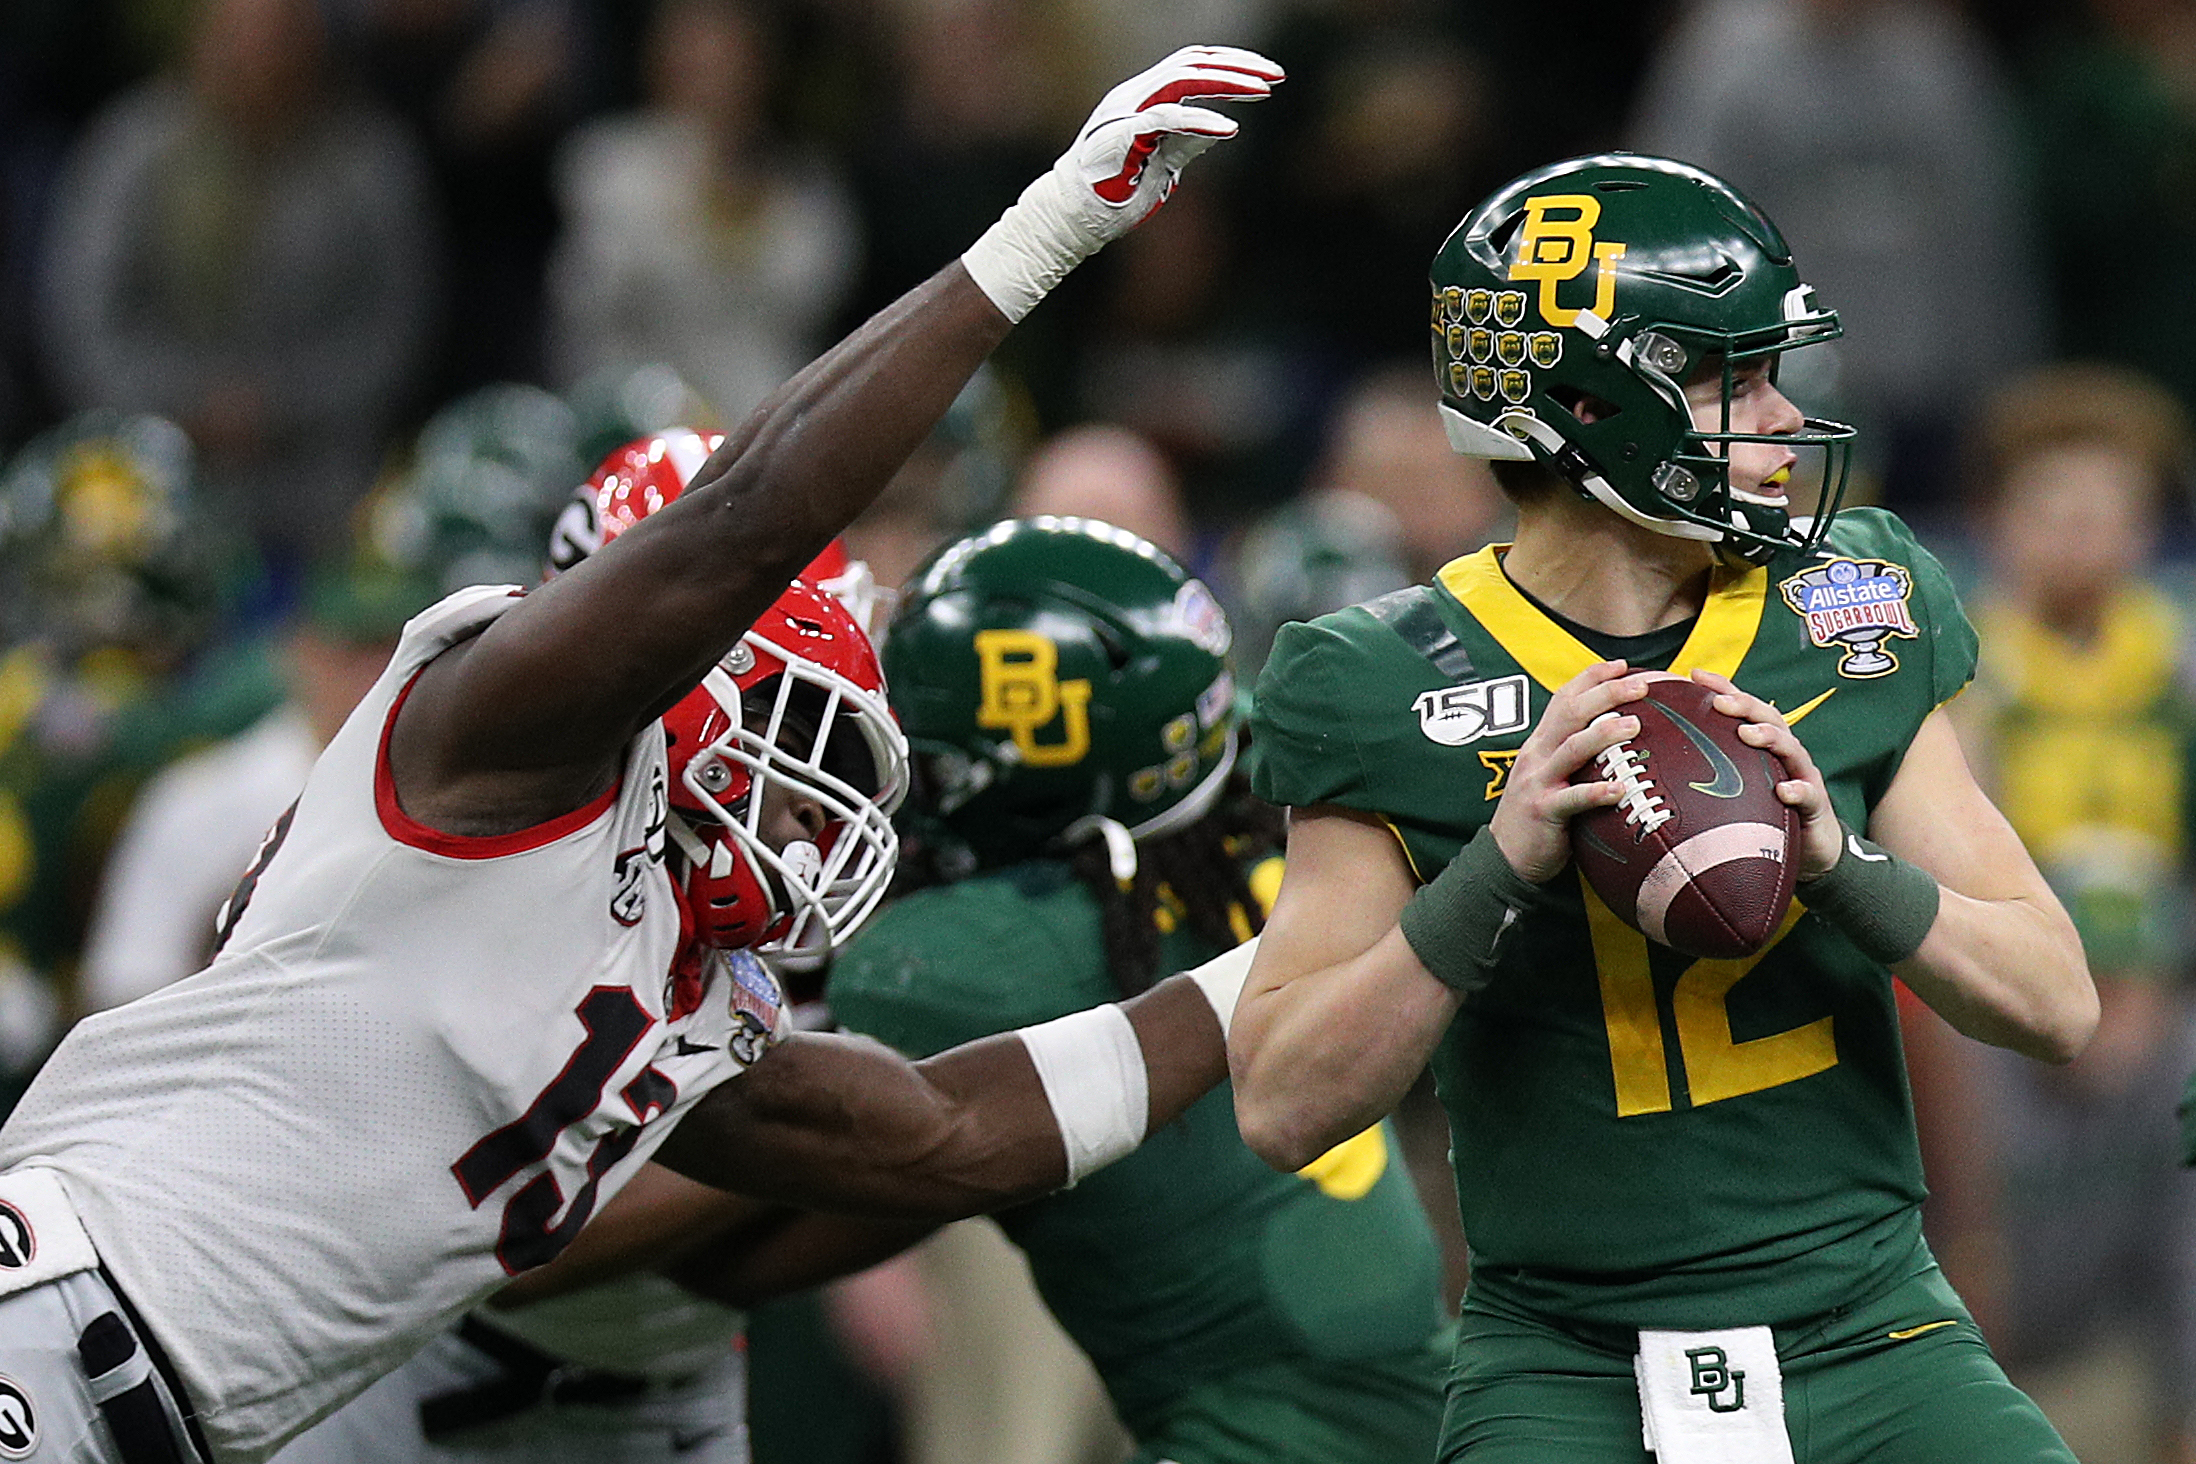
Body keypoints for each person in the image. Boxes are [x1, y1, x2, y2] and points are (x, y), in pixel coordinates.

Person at [0, 45, 1282, 1464]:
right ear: (677, 685)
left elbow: (950, 1136)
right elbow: (745, 516)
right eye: (796, 749)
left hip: (168, 1407)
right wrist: (1042, 234)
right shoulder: (489, 759)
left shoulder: (683, 1006)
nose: (815, 826)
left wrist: (1310, 940)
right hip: (55, 1325)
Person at [1227, 152, 2096, 1462]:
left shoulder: (1845, 603)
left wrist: (1839, 859)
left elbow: (2055, 1003)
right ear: (1588, 402)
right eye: (1730, 378)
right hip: (1566, 1360)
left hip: (1870, 1330)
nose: (1784, 418)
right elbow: (1281, 1106)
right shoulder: (1384, 680)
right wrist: (1497, 867)